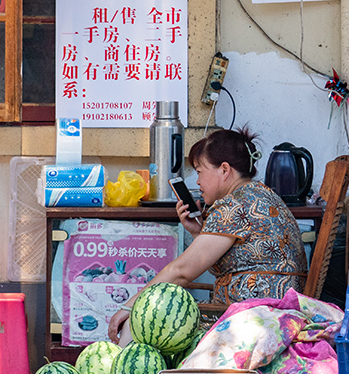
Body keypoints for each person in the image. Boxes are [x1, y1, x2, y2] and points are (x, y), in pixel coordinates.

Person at [108, 127, 307, 344]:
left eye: (200, 171)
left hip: (254, 318)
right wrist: (198, 231)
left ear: (224, 170)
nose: (197, 181)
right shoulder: (261, 194)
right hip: (278, 312)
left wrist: (129, 306)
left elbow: (181, 272)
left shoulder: (233, 205)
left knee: (139, 322)